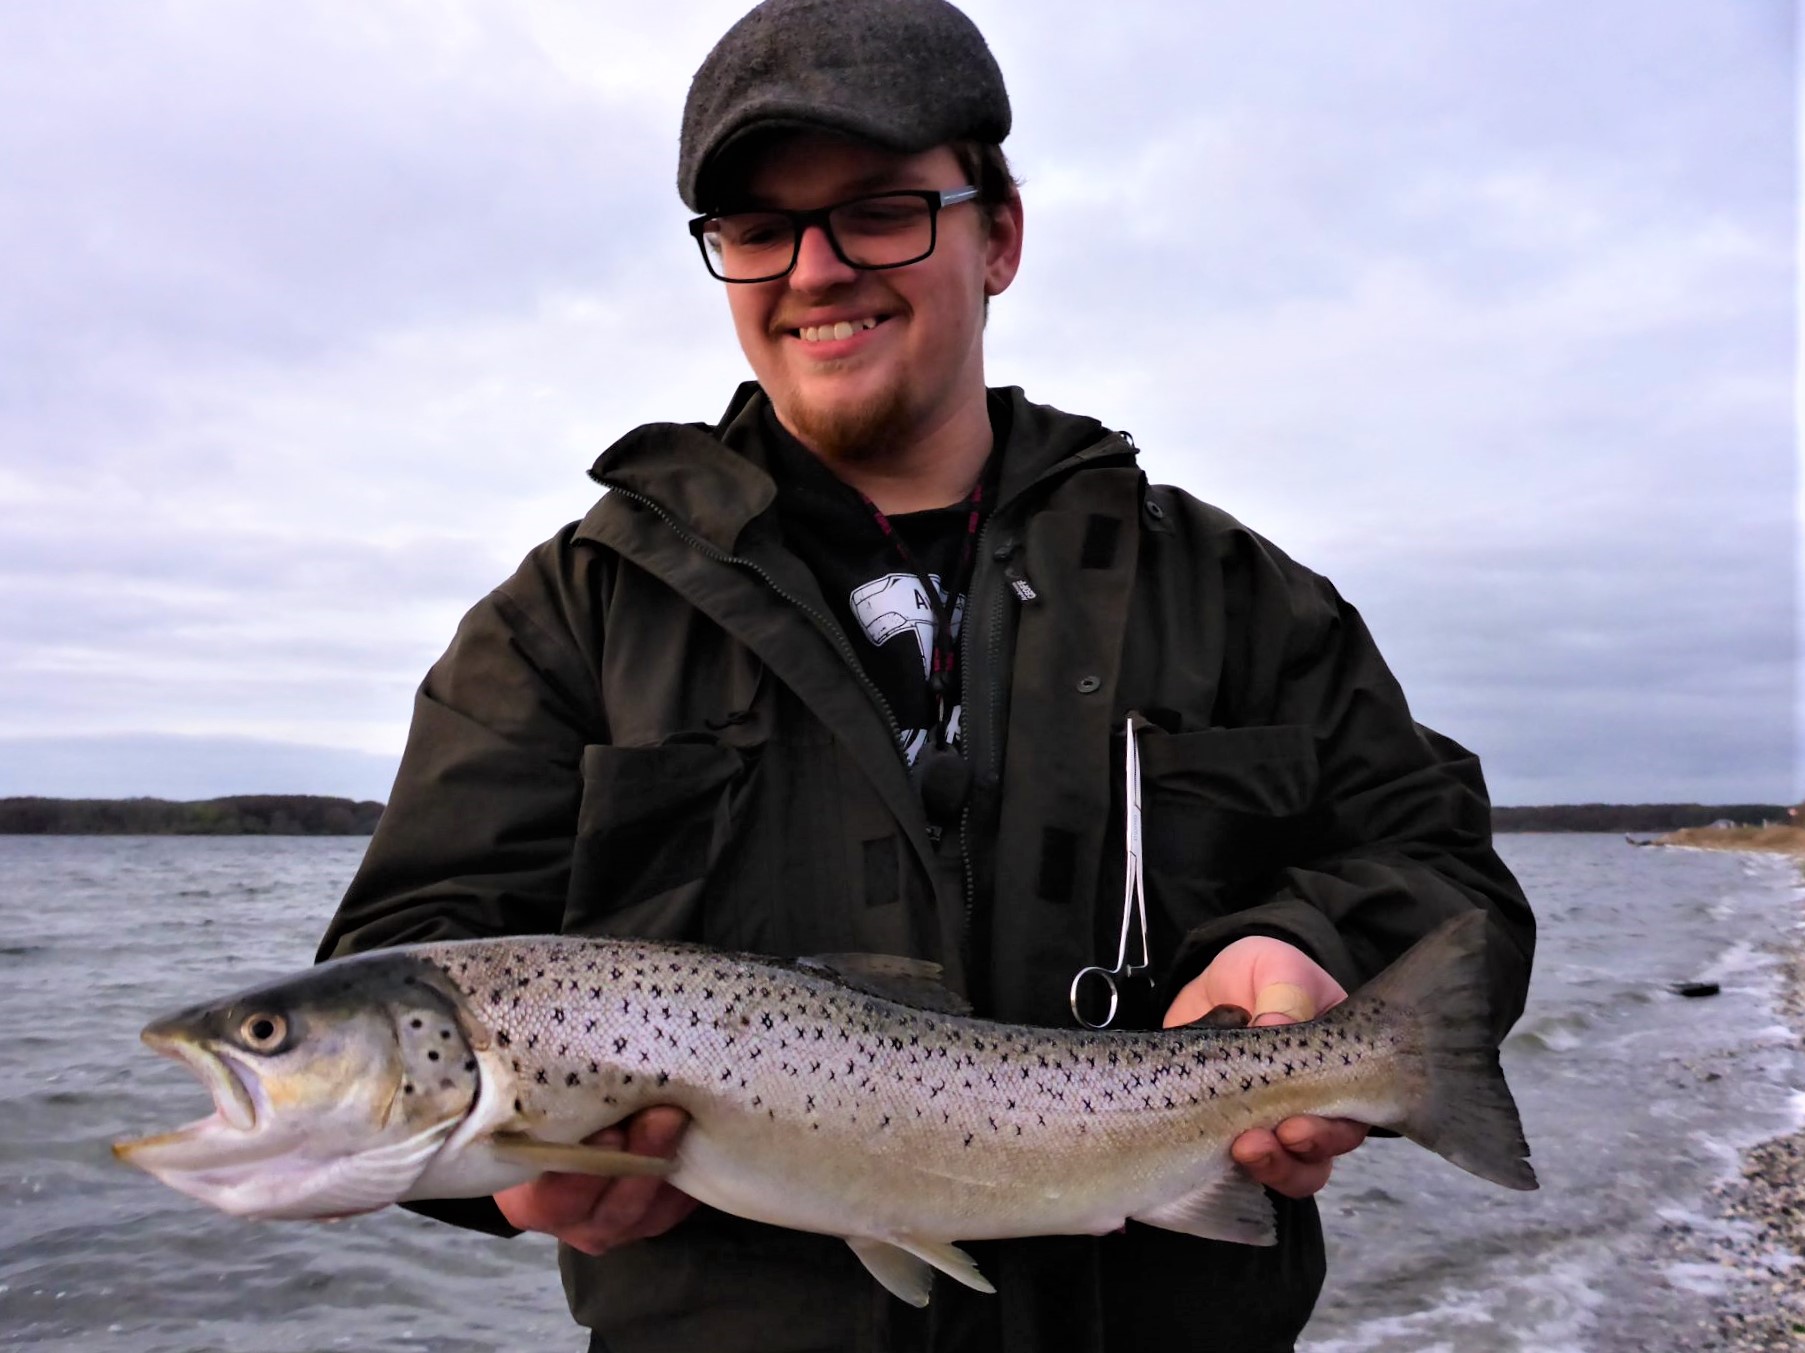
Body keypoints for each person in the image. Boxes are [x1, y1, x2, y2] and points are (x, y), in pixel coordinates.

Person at [316, 1, 1535, 1349]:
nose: (815, 270)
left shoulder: (1235, 596)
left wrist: (1308, 946)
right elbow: (405, 968)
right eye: (759, 229)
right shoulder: (571, 618)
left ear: (998, 233)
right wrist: (511, 1189)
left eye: (881, 209)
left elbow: (1445, 874)